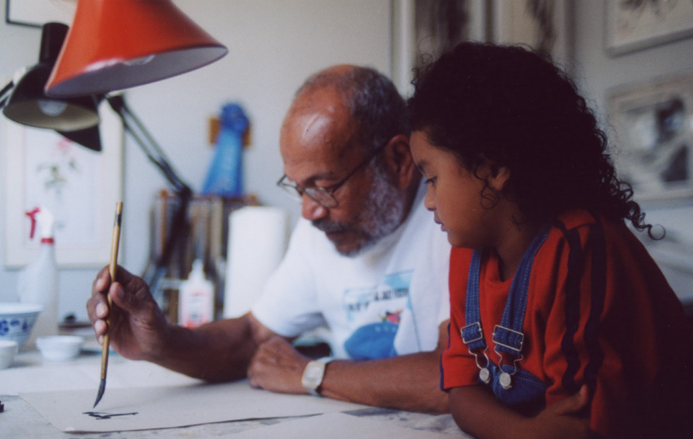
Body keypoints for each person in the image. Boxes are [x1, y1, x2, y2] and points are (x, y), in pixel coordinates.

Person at [406, 42, 693, 439]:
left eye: (432, 178)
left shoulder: (578, 246)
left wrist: (517, 432)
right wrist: (520, 435)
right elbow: (461, 390)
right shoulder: (466, 255)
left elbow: (581, 436)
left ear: (493, 167)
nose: (428, 202)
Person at [88, 65, 452, 413]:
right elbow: (251, 336)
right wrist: (160, 342)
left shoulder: (451, 223)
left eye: (324, 188)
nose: (309, 212)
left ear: (398, 160)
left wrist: (311, 374)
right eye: (298, 189)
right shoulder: (319, 232)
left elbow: (454, 378)